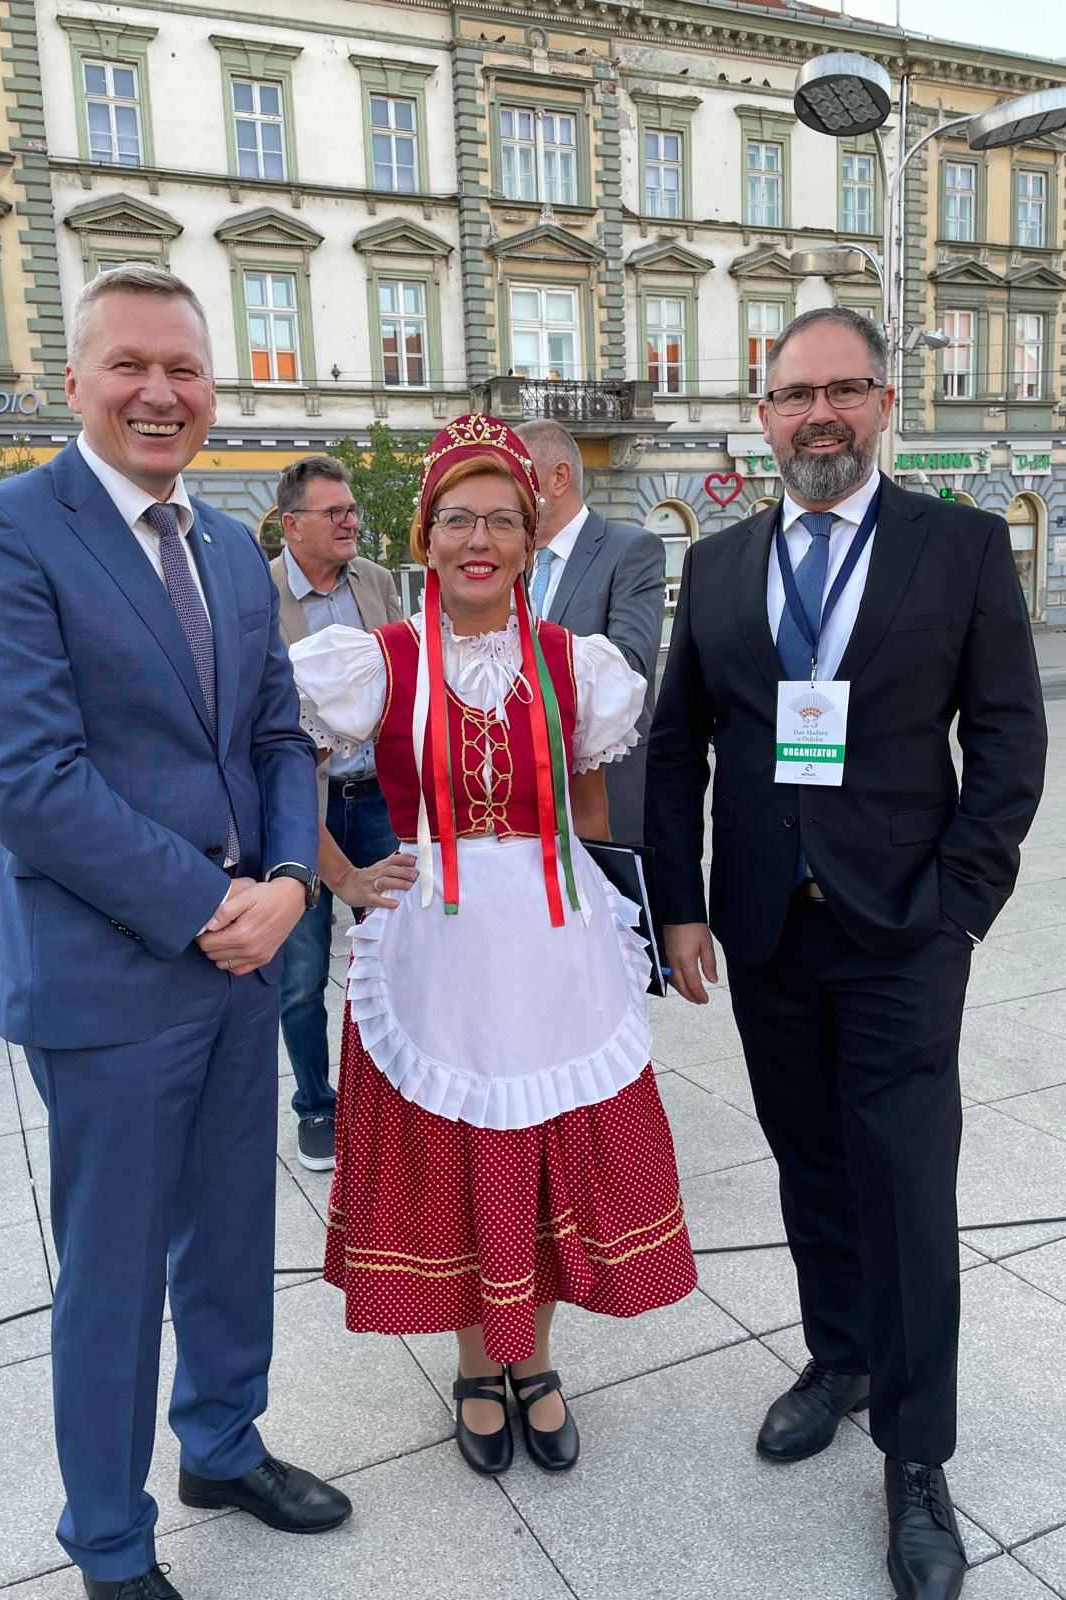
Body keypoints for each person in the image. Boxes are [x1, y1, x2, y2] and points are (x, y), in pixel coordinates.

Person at [0, 266, 351, 1600]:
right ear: (76, 381)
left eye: (185, 368)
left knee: (229, 1234)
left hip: (242, 958)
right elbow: (30, 781)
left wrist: (290, 879)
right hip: (115, 974)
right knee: (112, 1274)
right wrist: (211, 905)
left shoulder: (225, 543)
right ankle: (109, 1541)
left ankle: (222, 1443)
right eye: (130, 365)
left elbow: (276, 733)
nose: (161, 392)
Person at [646, 307, 1046, 1600]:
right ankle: (842, 1355)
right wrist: (680, 905)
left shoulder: (961, 547)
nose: (818, 413)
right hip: (768, 929)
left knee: (907, 1187)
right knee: (810, 1163)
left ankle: (917, 1456)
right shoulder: (717, 565)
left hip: (902, 933)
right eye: (793, 394)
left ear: (883, 404)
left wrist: (958, 908)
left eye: (844, 389)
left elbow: (1009, 739)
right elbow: (676, 747)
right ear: (763, 416)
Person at [290, 413, 697, 1478]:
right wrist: (340, 875)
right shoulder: (381, 659)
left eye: (504, 520)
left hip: (553, 940)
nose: (481, 540)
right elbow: (282, 758)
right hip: (438, 944)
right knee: (463, 1157)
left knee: (551, 1151)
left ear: (531, 535)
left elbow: (591, 800)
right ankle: (479, 1363)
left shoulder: (573, 662)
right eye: (459, 519)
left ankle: (536, 1359)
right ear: (425, 536)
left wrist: (611, 911)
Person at [269, 456, 403, 1170]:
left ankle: (396, 1096)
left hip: (379, 798)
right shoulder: (258, 595)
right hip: (302, 808)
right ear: (293, 525)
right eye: (335, 512)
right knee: (301, 969)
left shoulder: (375, 582)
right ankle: (317, 1105)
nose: (351, 521)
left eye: (352, 509)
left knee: (396, 949)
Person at [520, 418, 666, 844]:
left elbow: (629, 664)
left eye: (516, 475)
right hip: (528, 797)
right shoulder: (516, 560)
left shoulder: (631, 550)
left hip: (604, 792)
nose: (507, 490)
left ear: (558, 478)